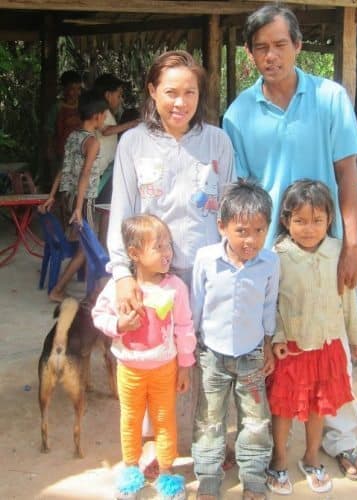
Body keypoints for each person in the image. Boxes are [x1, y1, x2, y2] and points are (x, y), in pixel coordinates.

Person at [222, 4, 357, 480]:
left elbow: (348, 172)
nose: (271, 55)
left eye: (280, 44)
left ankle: (341, 438)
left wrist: (350, 246)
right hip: (266, 254)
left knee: (331, 343)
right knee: (269, 348)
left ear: (298, 46)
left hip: (326, 248)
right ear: (249, 54)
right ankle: (262, 439)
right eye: (261, 47)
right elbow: (240, 190)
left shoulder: (328, 97)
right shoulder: (238, 114)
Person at [106, 50, 235, 477]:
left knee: (199, 357)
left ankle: (204, 441)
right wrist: (123, 275)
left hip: (205, 274)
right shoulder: (133, 143)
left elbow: (230, 210)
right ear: (152, 92)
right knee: (149, 356)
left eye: (190, 92)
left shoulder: (217, 141)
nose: (180, 102)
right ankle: (151, 446)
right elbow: (122, 212)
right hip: (150, 275)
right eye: (170, 92)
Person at [266, 180, 357, 495]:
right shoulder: (276, 256)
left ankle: (310, 457)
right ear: (285, 221)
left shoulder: (339, 252)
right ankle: (279, 458)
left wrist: (355, 334)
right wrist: (277, 338)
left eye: (317, 221)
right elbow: (271, 305)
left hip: (327, 345)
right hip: (292, 349)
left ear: (329, 221)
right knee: (283, 406)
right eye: (300, 221)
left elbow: (348, 298)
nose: (309, 229)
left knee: (318, 407)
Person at [92, 214, 196, 500]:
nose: (167, 253)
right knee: (130, 419)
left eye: (168, 246)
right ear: (134, 254)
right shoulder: (119, 288)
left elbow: (185, 328)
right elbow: (98, 315)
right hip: (128, 370)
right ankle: (130, 470)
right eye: (158, 247)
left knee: (165, 420)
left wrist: (185, 366)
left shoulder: (175, 287)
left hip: (165, 369)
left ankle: (166, 475)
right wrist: (119, 326)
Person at [190, 179, 279, 500]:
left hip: (252, 354)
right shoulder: (205, 259)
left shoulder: (270, 263)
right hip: (211, 355)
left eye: (259, 231)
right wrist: (191, 350)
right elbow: (195, 306)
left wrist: (268, 344)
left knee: (255, 420)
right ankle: (209, 479)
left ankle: (254, 480)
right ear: (222, 226)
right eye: (242, 231)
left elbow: (269, 306)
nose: (250, 240)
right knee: (209, 419)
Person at [40, 90, 109, 302]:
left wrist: (52, 195)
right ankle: (59, 290)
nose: (105, 118)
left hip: (68, 195)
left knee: (86, 243)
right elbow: (85, 174)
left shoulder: (73, 136)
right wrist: (80, 208)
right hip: (83, 198)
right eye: (104, 114)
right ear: (97, 115)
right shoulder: (92, 142)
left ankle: (92, 291)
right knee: (87, 245)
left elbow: (64, 168)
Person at [92, 74, 140, 203]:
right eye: (118, 96)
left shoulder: (107, 113)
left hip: (106, 167)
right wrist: (132, 124)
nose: (120, 100)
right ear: (108, 95)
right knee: (104, 205)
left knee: (105, 205)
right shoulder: (101, 113)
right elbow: (106, 131)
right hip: (102, 169)